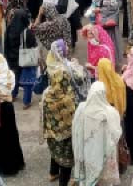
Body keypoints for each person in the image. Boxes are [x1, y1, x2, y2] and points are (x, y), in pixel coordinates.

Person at [43, 40, 80, 186]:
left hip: (53, 132)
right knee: (66, 155)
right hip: (66, 133)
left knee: (55, 150)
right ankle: (64, 182)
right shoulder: (69, 99)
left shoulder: (48, 95)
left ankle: (53, 173)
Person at [72, 81, 123, 186]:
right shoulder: (111, 112)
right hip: (106, 155)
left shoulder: (82, 109)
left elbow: (75, 131)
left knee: (89, 178)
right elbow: (116, 134)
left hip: (87, 154)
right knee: (104, 180)